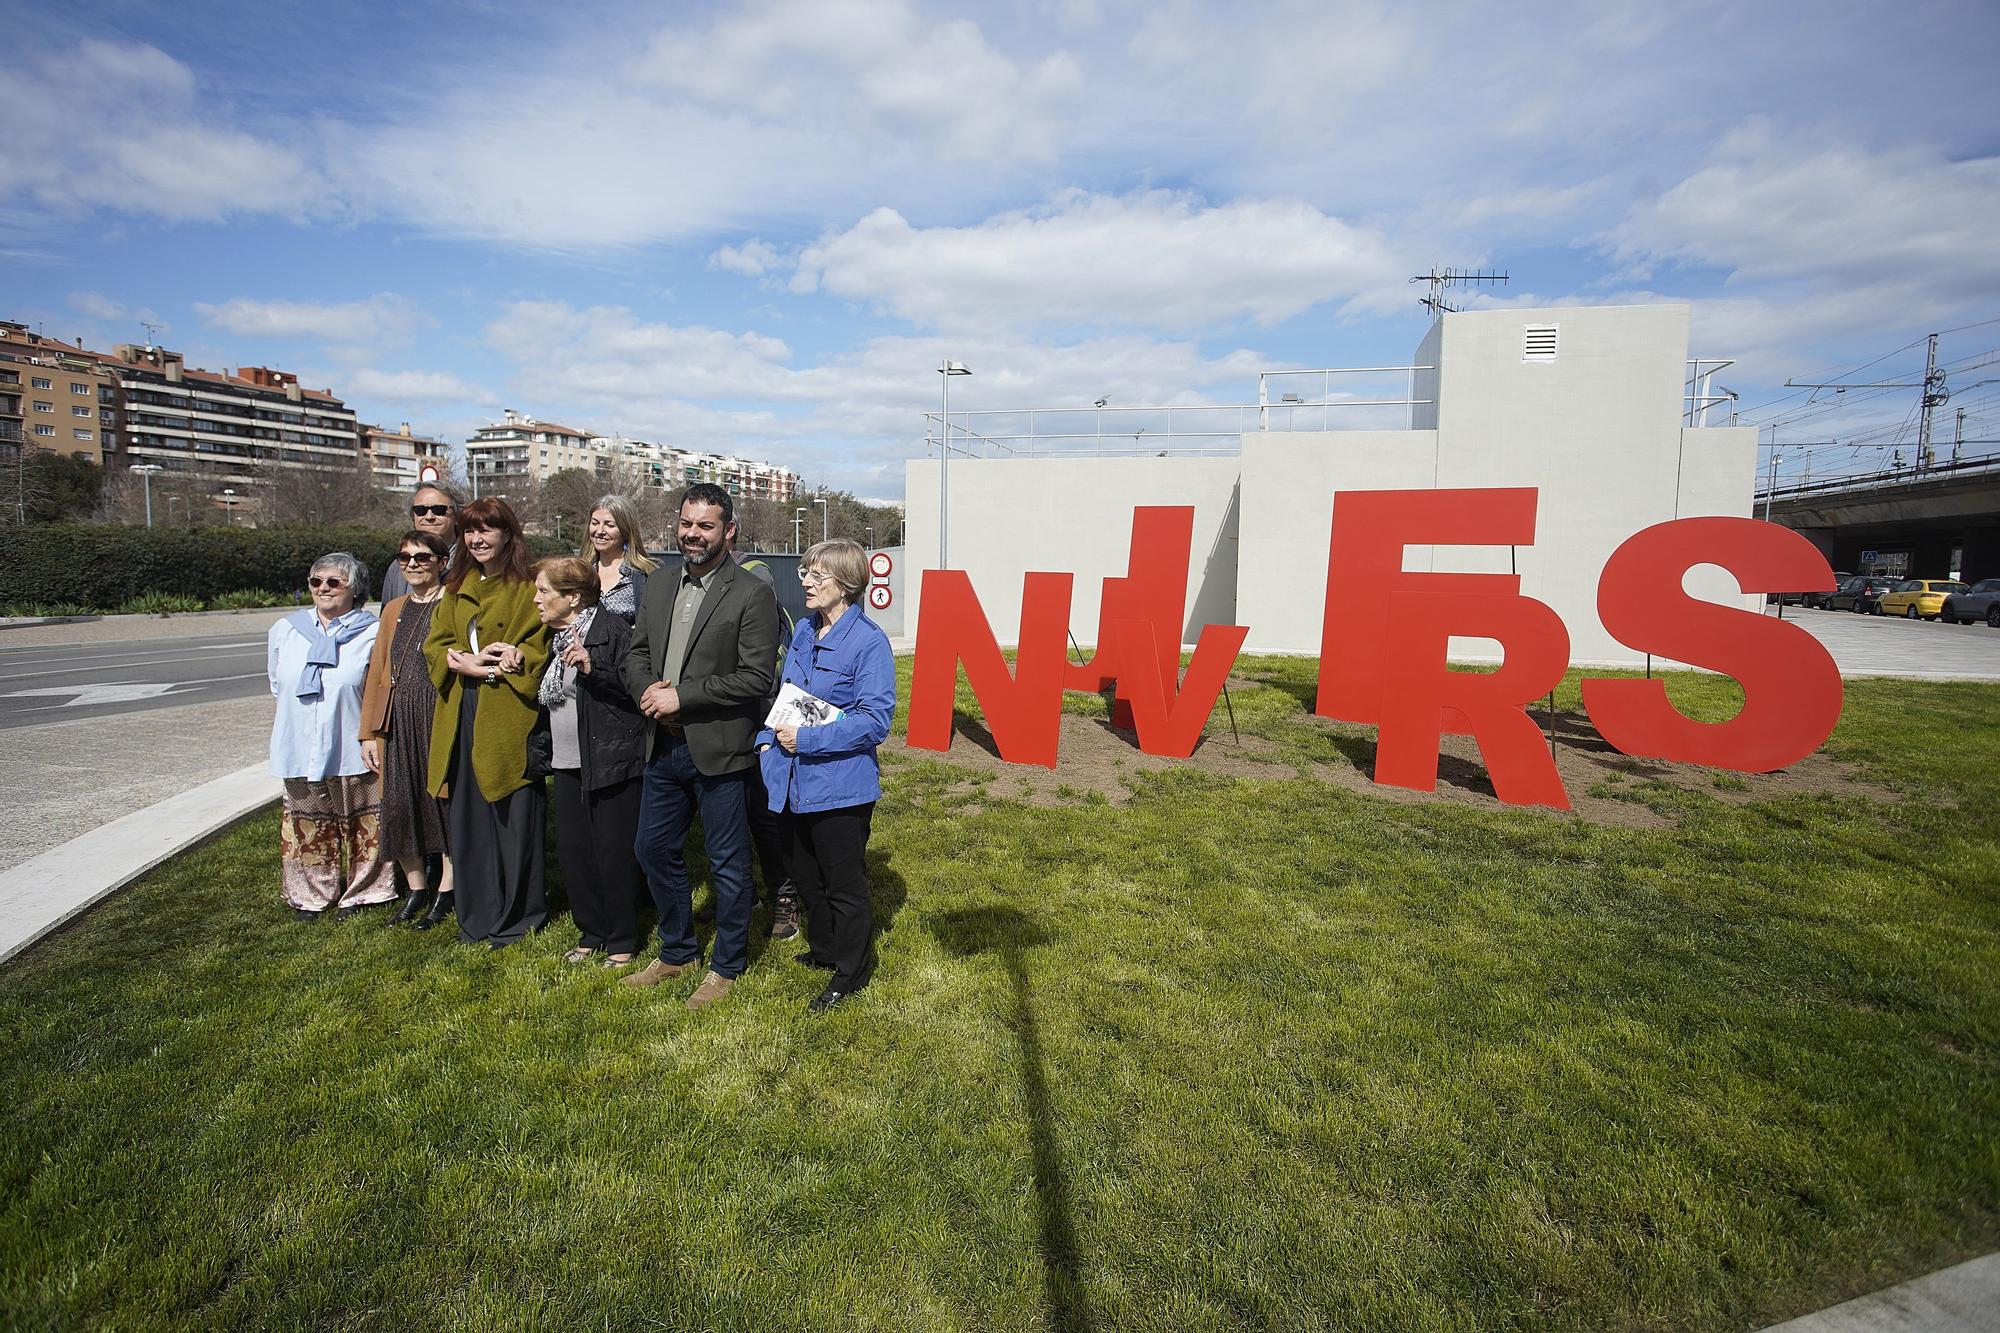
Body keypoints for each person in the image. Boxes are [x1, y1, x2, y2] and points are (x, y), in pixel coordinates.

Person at [620, 483, 780, 1009]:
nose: (692, 534)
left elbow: (756, 677)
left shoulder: (752, 592)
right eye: (686, 523)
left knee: (728, 863)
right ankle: (678, 949)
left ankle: (726, 965)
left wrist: (681, 697)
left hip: (718, 749)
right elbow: (635, 652)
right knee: (650, 848)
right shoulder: (661, 584)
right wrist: (646, 688)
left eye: (705, 525)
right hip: (662, 747)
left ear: (728, 531)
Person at [756, 539, 897, 1012]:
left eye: (818, 576)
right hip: (791, 780)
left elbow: (876, 721)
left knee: (843, 884)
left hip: (840, 786)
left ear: (847, 584)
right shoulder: (801, 629)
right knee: (805, 875)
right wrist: (765, 740)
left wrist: (810, 740)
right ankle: (824, 949)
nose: (806, 582)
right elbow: (788, 695)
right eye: (804, 573)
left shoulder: (869, 642)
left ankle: (850, 971)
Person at [423, 498, 550, 947]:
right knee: (469, 821)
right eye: (470, 532)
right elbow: (435, 645)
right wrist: (459, 663)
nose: (477, 540)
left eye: (487, 531)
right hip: (462, 711)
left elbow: (541, 648)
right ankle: (476, 915)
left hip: (508, 715)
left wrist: (502, 665)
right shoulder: (455, 586)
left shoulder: (529, 585)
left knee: (514, 821)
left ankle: (519, 917)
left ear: (507, 534)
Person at [527, 556, 649, 967]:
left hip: (610, 762)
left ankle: (622, 939)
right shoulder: (556, 638)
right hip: (567, 764)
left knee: (612, 853)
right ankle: (591, 931)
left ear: (573, 598)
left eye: (544, 591)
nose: (536, 600)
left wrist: (594, 668)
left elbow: (636, 693)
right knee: (576, 852)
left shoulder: (612, 631)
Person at [267, 552, 393, 918]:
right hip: (299, 741)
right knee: (307, 821)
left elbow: (379, 686)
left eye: (334, 582)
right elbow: (278, 683)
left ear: (355, 590)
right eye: (316, 581)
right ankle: (312, 892)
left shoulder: (373, 631)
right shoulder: (285, 630)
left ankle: (365, 891)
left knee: (365, 821)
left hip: (352, 741)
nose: (323, 588)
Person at [358, 528, 456, 929]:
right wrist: (369, 732)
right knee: (399, 803)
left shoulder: (452, 602)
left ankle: (447, 890)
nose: (413, 564)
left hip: (437, 715)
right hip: (398, 719)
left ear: (441, 562)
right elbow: (378, 671)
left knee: (441, 804)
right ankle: (416, 888)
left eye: (422, 557)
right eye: (405, 558)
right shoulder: (393, 608)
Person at [728, 535, 800, 941]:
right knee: (728, 810)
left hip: (758, 711)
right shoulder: (693, 577)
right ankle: (742, 895)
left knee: (764, 811)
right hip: (720, 713)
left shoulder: (754, 574)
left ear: (729, 529)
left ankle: (784, 897)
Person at [580, 494, 655, 625]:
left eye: (609, 525)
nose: (600, 531)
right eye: (595, 523)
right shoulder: (580, 572)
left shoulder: (644, 576)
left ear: (625, 530)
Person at [381, 482, 461, 601]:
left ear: (457, 516)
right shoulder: (399, 567)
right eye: (420, 510)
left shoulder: (470, 561)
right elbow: (388, 615)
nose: (429, 517)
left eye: (439, 510)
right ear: (413, 517)